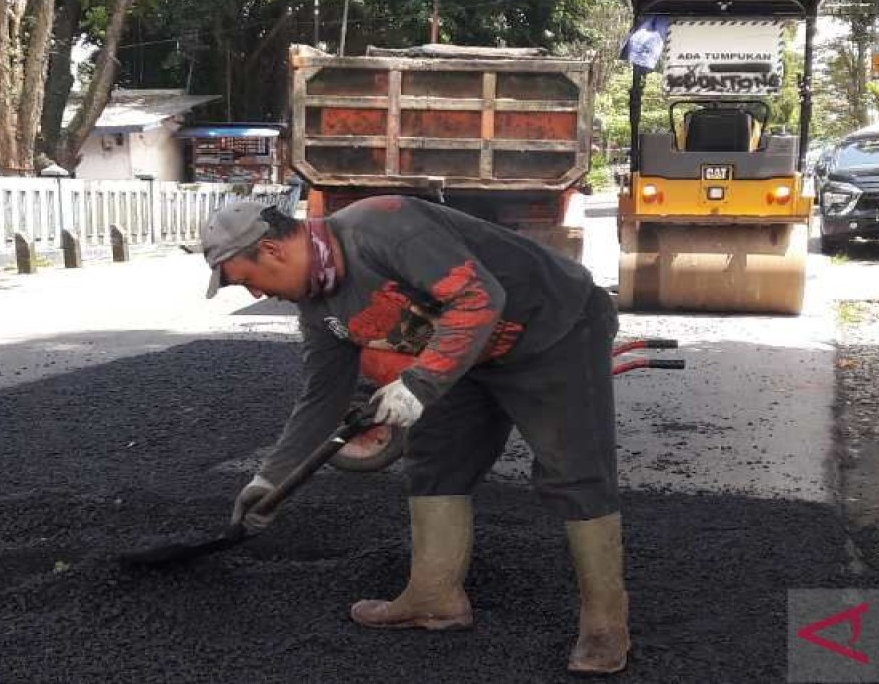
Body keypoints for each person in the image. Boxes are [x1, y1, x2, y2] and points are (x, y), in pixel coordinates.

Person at [201, 195, 629, 675]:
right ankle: (434, 597)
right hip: (467, 352)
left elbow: (478, 297)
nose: (255, 295)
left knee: (572, 468)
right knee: (435, 459)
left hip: (553, 329)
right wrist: (271, 480)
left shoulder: (383, 226)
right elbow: (321, 396)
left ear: (274, 251)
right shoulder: (319, 307)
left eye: (246, 280)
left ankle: (605, 627)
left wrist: (418, 385)